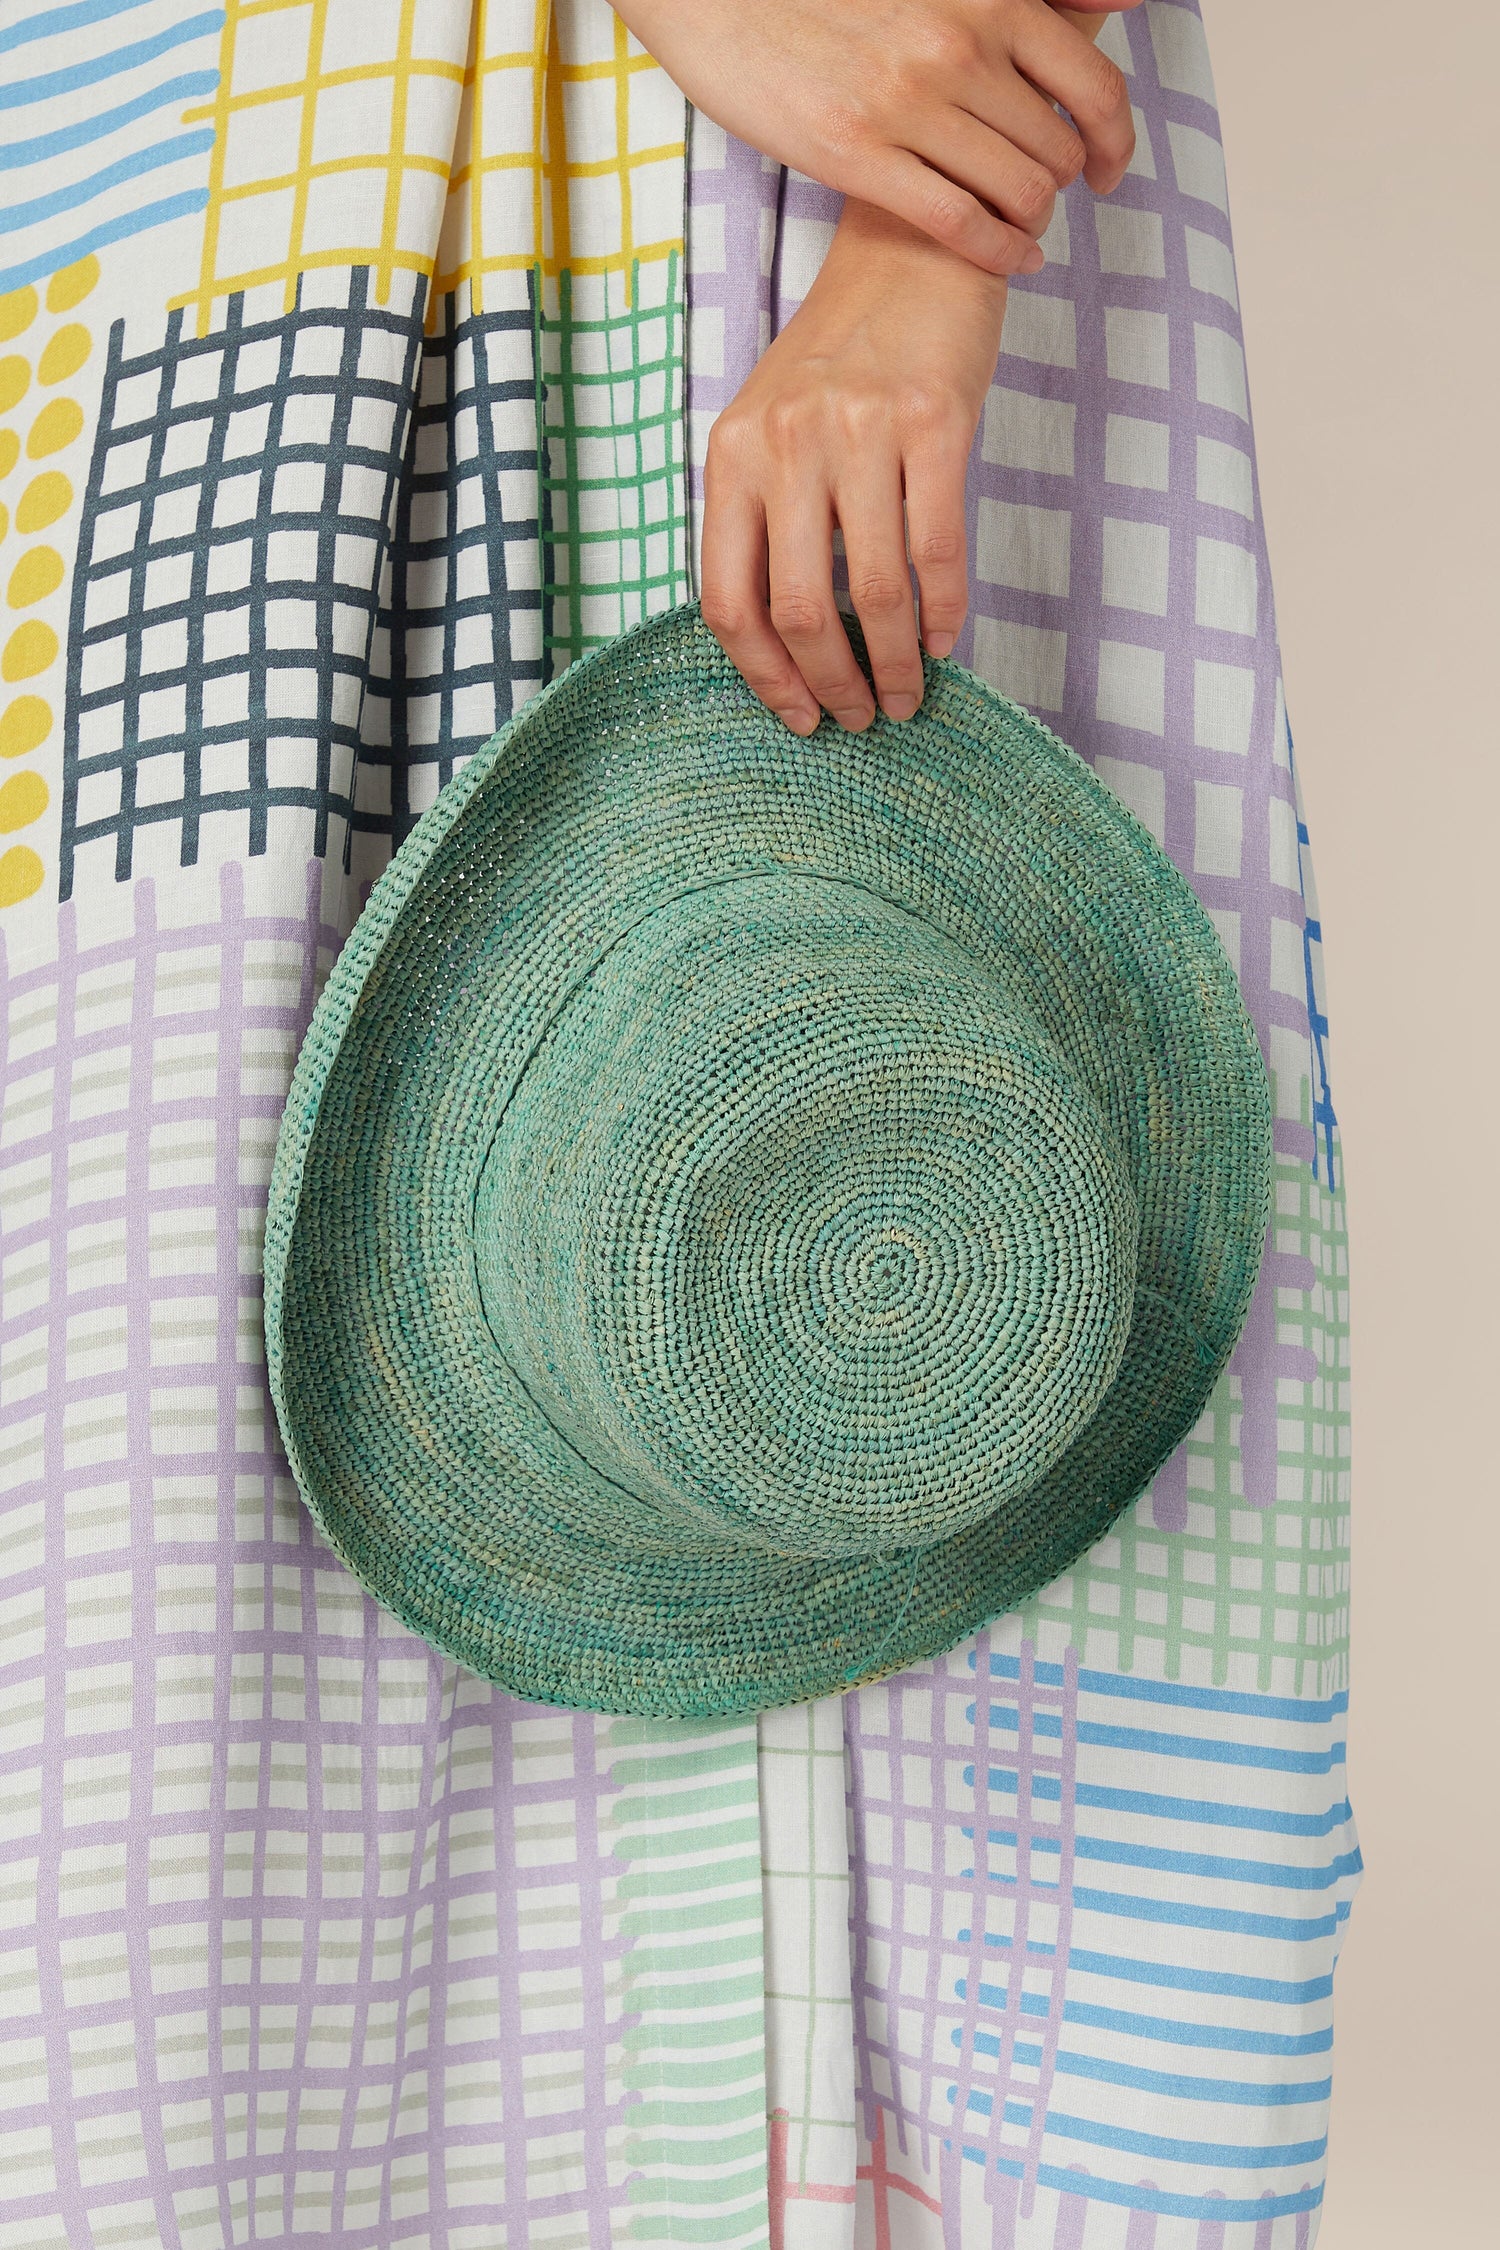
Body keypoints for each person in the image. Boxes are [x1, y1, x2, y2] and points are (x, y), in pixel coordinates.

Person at [0, 2, 1353, 2242]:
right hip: (199, 248)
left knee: (911, 1259)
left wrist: (933, 234)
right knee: (160, 1657)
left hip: (824, 193)